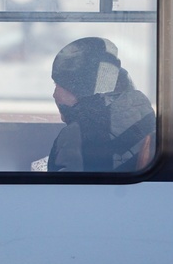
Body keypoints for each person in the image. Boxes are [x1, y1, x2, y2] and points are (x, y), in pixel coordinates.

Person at [47, 37, 156, 172]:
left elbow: (66, 189)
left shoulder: (76, 136)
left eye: (57, 85)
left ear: (78, 89)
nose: (54, 94)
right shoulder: (144, 116)